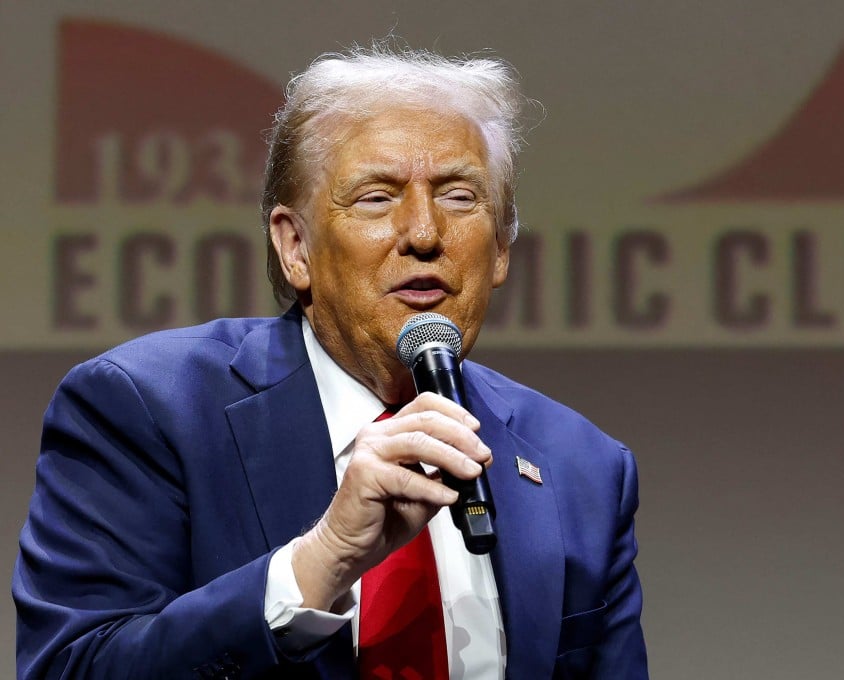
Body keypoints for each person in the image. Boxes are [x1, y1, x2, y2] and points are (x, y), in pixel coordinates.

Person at [13, 44, 647, 679]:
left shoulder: (581, 468)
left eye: (459, 197)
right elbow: (72, 668)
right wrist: (322, 560)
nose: (424, 232)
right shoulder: (147, 410)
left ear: (502, 246)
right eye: (376, 198)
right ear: (296, 248)